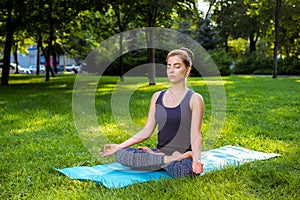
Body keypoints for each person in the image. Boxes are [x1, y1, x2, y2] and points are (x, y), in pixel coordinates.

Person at [101, 47, 204, 178]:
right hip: (159, 152)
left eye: (177, 66)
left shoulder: (195, 99)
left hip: (184, 156)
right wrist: (119, 146)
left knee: (185, 172)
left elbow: (196, 135)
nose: (171, 70)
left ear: (187, 70)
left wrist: (196, 160)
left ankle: (165, 159)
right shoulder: (157, 97)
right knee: (122, 155)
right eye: (169, 66)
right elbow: (147, 130)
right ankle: (165, 159)